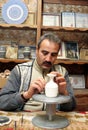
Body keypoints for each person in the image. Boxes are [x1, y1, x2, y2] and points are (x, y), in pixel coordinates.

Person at [0, 33, 76, 111]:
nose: (48, 59)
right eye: (45, 53)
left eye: (53, 55)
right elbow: (2, 102)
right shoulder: (20, 71)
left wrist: (64, 93)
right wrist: (26, 95)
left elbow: (72, 107)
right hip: (27, 116)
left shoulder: (62, 72)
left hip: (54, 118)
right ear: (37, 50)